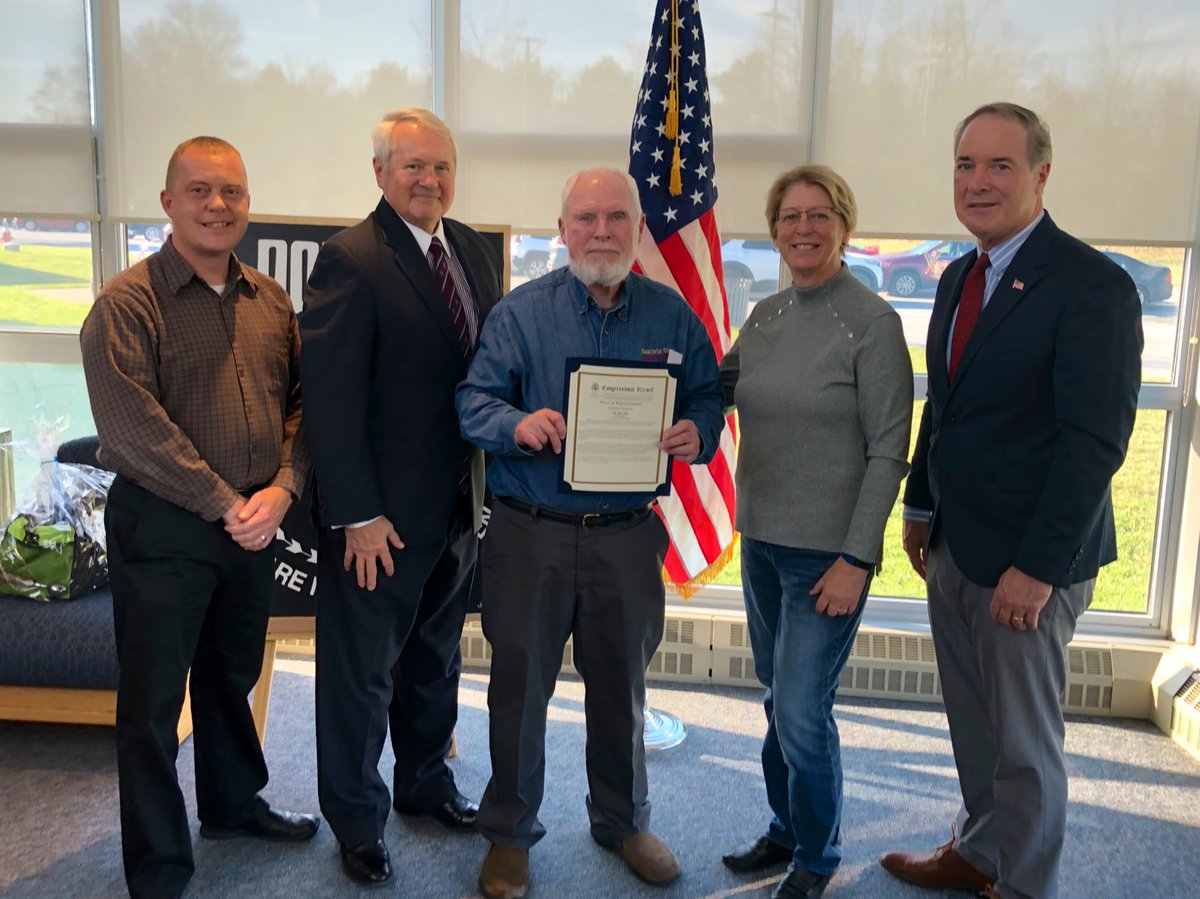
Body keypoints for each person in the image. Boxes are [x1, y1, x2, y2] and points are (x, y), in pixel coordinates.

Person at [881, 102, 1142, 899]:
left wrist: (1038, 565)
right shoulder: (964, 273)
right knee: (974, 724)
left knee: (1025, 744)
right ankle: (983, 851)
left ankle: (1025, 884)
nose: (979, 182)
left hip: (1028, 560)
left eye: (1000, 166)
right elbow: (949, 404)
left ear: (1041, 176)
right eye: (966, 165)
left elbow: (1094, 443)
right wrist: (921, 505)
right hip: (958, 542)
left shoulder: (1092, 285)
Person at [456, 167, 724, 899]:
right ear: (563, 228)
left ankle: (623, 821)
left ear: (639, 230)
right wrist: (518, 424)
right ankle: (509, 834)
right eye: (585, 218)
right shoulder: (521, 314)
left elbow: (707, 391)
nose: (600, 231)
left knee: (622, 690)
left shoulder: (671, 317)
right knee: (518, 692)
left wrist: (698, 429)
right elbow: (472, 402)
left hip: (627, 536)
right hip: (528, 534)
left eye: (615, 218)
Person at [80, 136, 317, 899]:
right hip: (167, 525)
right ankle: (157, 866)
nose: (219, 205)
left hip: (255, 519)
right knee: (152, 704)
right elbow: (131, 428)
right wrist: (226, 503)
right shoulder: (127, 303)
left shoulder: (270, 300)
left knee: (230, 675)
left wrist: (282, 487)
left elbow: (304, 406)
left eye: (233, 192)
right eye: (201, 191)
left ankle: (232, 805)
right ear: (168, 203)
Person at [299, 108, 503, 886]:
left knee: (434, 660)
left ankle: (424, 784)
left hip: (457, 507)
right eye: (413, 166)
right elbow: (331, 397)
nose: (430, 180)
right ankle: (357, 819)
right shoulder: (350, 258)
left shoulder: (476, 251)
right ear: (380, 171)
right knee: (361, 674)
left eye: (442, 166)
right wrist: (355, 512)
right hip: (377, 519)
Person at [718, 165, 912, 899]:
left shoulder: (872, 323)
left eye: (819, 214)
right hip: (762, 544)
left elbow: (890, 450)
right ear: (773, 231)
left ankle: (819, 858)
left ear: (844, 225)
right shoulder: (765, 318)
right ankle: (785, 827)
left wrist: (857, 557)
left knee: (802, 710)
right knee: (776, 697)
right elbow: (717, 387)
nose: (803, 227)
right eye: (789, 216)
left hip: (828, 557)